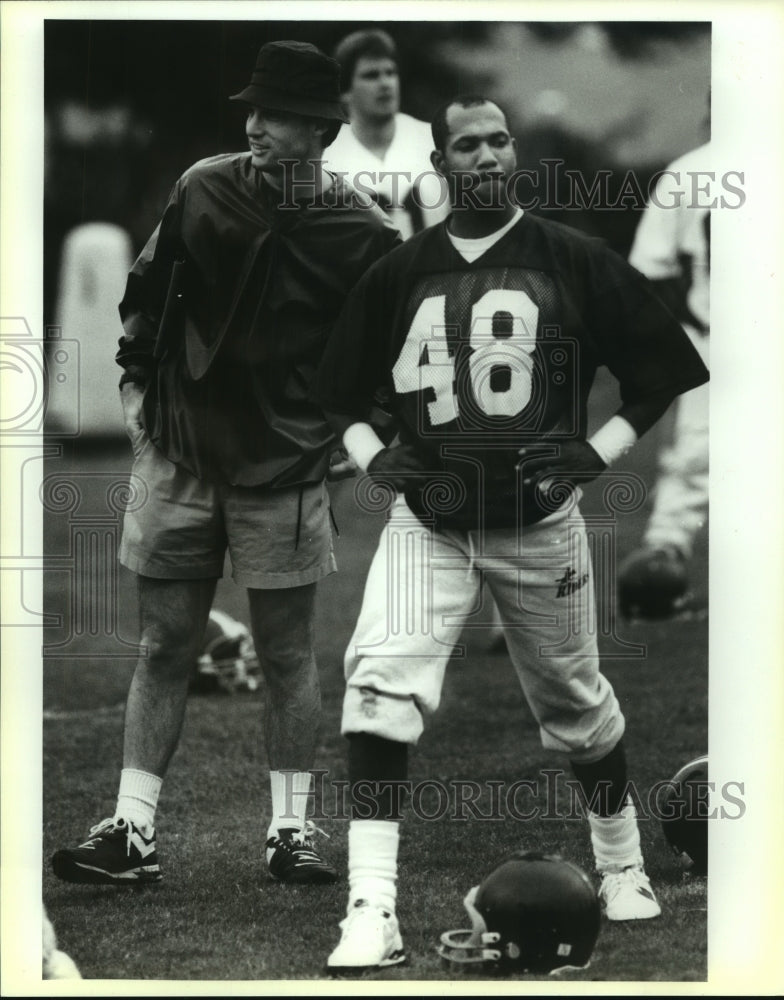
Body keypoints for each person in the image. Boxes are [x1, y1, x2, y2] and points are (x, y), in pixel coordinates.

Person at [314, 95, 710, 970]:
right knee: (379, 687)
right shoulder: (399, 269)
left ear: (512, 154)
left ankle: (621, 863)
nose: (487, 156)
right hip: (432, 524)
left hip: (538, 525)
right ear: (442, 166)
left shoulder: (572, 256)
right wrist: (373, 457)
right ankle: (371, 910)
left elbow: (663, 369)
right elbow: (338, 392)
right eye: (468, 145)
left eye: (499, 141)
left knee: (576, 708)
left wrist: (594, 452)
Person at [51, 40, 400, 888]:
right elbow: (146, 292)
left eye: (273, 114)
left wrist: (352, 444)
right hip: (178, 458)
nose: (254, 126)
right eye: (251, 110)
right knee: (166, 642)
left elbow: (392, 354)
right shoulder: (203, 185)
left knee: (285, 654)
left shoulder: (363, 231)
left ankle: (290, 832)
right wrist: (138, 402)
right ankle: (132, 834)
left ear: (319, 127)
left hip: (284, 470)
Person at [617, 139, 711, 618]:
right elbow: (652, 273)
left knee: (695, 456)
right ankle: (662, 565)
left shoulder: (688, 171)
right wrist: (696, 328)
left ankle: (665, 552)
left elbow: (651, 270)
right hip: (714, 339)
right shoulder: (688, 173)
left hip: (715, 336)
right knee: (695, 454)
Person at [326, 29, 449, 240]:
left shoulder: (434, 139)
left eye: (390, 73)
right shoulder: (326, 158)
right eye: (371, 75)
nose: (385, 83)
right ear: (345, 92)